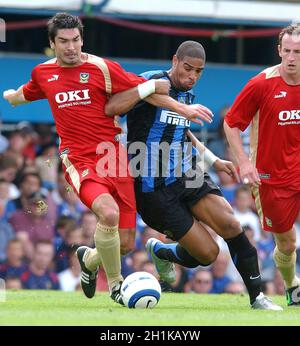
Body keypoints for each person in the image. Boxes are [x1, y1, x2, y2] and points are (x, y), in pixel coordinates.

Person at [3, 13, 213, 305]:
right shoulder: (44, 73)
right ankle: (116, 285)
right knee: (108, 213)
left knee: (125, 244)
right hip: (78, 157)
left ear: (82, 39)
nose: (71, 47)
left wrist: (178, 106)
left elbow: (144, 92)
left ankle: (88, 261)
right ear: (53, 43)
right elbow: (28, 92)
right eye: (63, 41)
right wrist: (11, 96)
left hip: (114, 156)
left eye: (75, 40)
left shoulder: (102, 67)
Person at [105, 40, 282, 310]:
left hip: (187, 175)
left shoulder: (188, 94)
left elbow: (181, 132)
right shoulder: (152, 80)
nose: (192, 76)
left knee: (232, 226)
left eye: (199, 71)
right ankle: (162, 251)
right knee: (208, 254)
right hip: (153, 188)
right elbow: (114, 105)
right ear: (175, 60)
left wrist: (212, 159)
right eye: (188, 68)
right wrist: (161, 97)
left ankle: (257, 297)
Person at [224, 24, 300, 306]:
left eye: (298, 52)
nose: (292, 58)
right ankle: (292, 285)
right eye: (287, 51)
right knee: (287, 243)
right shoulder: (262, 83)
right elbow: (231, 124)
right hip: (272, 177)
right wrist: (244, 163)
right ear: (279, 50)